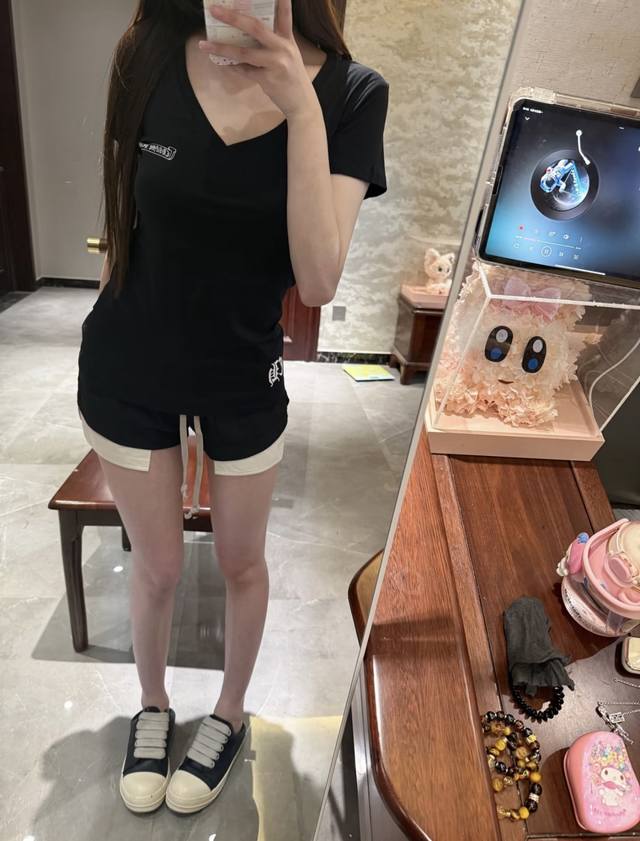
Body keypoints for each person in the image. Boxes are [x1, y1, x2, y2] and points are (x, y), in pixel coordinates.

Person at [77, 0, 389, 816]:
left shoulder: (353, 94)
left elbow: (316, 280)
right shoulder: (148, 50)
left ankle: (229, 710)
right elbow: (123, 217)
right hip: (128, 359)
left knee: (242, 561)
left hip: (244, 370)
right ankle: (152, 704)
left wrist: (301, 108)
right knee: (157, 565)